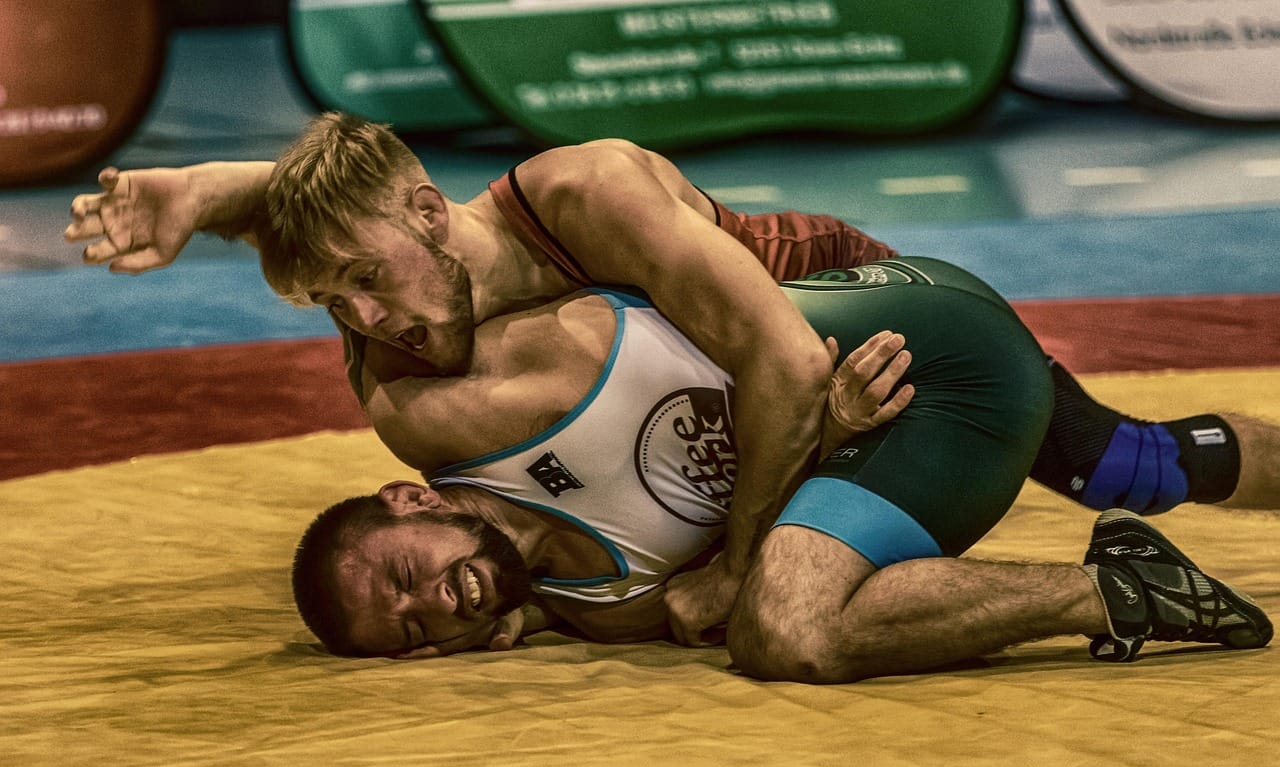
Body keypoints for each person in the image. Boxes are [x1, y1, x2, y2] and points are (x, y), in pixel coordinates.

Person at [64, 113, 1280, 647]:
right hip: (752, 381)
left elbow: (784, 361)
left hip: (842, 312)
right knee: (1135, 462)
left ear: (432, 215)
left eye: (361, 283)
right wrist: (211, 195)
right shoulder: (401, 360)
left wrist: (748, 553)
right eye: (332, 305)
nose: (363, 319)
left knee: (1121, 466)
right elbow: (343, 204)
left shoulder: (580, 197)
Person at [289, 258, 1271, 680]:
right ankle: (1129, 567)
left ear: (407, 495)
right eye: (411, 631)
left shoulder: (478, 400)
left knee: (787, 623)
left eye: (402, 575)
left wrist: (813, 417)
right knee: (1134, 464)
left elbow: (421, 245)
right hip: (884, 394)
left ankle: (1118, 592)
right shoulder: (595, 599)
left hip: (887, 349)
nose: (433, 602)